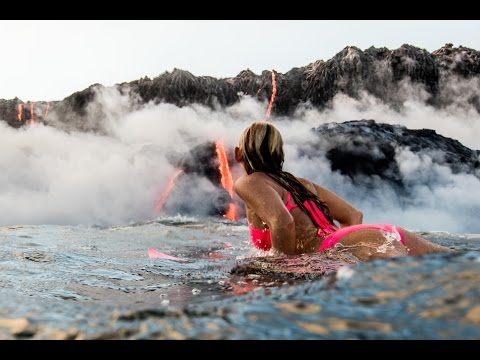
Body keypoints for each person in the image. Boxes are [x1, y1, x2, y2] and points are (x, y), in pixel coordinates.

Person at [233, 122, 449, 261]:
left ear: (238, 154)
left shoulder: (249, 181)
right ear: (280, 153)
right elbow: (354, 215)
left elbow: (283, 222)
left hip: (358, 242)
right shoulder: (300, 184)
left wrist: (283, 270)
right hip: (382, 233)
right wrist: (344, 248)